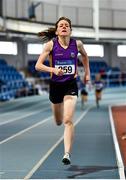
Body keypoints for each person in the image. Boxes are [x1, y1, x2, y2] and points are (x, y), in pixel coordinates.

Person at [35, 17, 90, 165]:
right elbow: (38, 65)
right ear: (57, 31)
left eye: (67, 25)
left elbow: (85, 56)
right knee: (59, 121)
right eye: (61, 25)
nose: (64, 27)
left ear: (70, 30)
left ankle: (67, 154)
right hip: (55, 86)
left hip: (70, 84)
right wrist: (53, 69)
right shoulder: (50, 45)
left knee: (68, 120)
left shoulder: (77, 44)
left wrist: (87, 73)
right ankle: (59, 119)